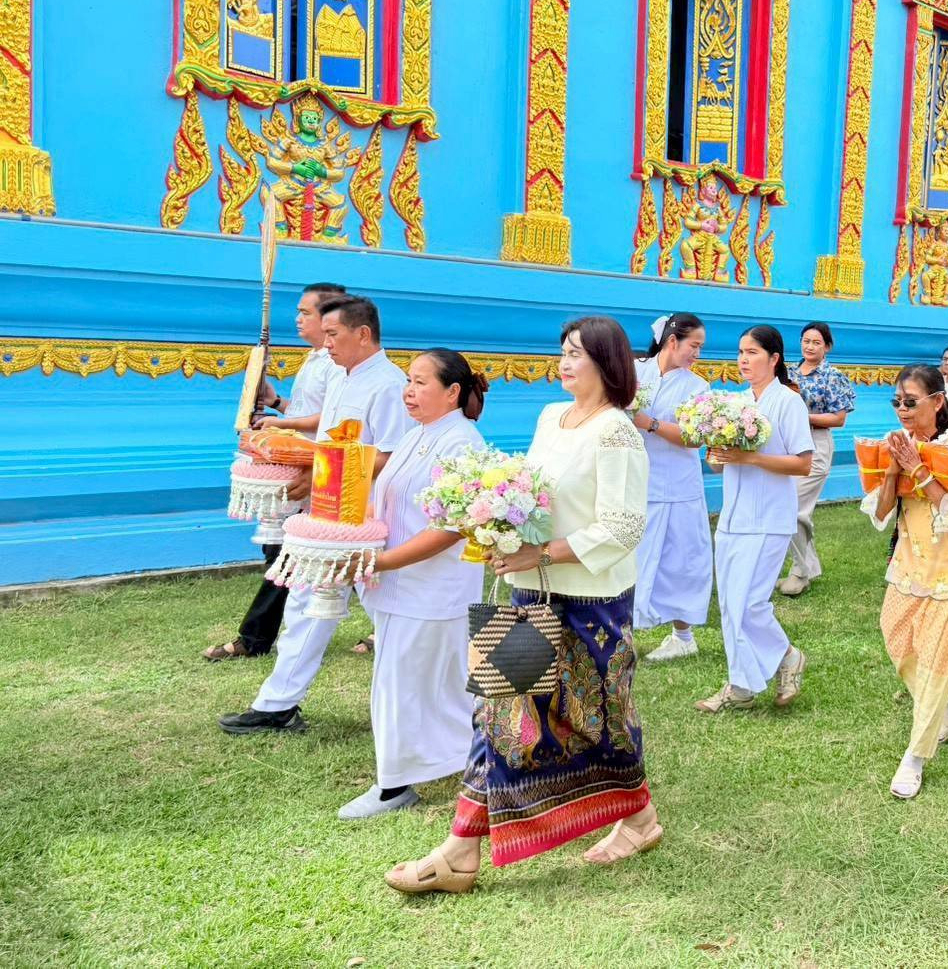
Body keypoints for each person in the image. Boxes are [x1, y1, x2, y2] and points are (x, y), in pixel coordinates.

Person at [385, 316, 658, 893]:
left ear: (608, 364)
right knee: (498, 712)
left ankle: (639, 819)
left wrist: (542, 551)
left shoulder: (617, 433)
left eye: (577, 353)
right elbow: (532, 491)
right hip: (529, 590)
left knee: (601, 719)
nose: (564, 361)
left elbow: (623, 527)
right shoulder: (548, 418)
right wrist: (497, 523)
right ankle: (460, 851)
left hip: (592, 602)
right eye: (561, 350)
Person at [219, 295, 415, 734]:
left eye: (333, 334)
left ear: (362, 335)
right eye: (324, 334)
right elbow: (329, 442)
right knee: (312, 604)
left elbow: (392, 455)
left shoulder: (387, 384)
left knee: (395, 614)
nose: (325, 344)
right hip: (334, 511)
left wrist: (325, 474)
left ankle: (436, 705)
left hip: (369, 518)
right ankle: (277, 704)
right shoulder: (344, 377)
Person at [339, 349, 489, 820]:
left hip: (431, 586)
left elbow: (452, 528)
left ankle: (394, 784)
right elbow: (385, 500)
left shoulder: (462, 445)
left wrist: (383, 561)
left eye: (422, 382)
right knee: (433, 684)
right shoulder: (417, 435)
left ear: (452, 393)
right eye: (408, 380)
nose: (409, 390)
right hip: (401, 583)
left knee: (402, 685)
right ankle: (476, 753)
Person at [205, 281, 348, 661]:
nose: (298, 319)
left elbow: (332, 421)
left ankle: (255, 638)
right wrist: (276, 403)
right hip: (303, 460)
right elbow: (309, 413)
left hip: (325, 465)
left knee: (291, 555)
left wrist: (284, 427)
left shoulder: (337, 364)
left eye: (306, 312)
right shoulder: (315, 358)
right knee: (291, 554)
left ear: (332, 318)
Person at [863, 364, 948, 799]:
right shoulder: (898, 444)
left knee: (935, 659)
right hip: (911, 560)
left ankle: (914, 757)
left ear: (937, 401)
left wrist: (918, 469)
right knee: (896, 638)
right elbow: (880, 514)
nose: (902, 409)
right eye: (897, 402)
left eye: (910, 401)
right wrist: (895, 469)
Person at [697, 325, 812, 712]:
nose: (743, 359)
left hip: (769, 518)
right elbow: (718, 466)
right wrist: (718, 455)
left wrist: (751, 458)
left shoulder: (788, 402)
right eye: (741, 352)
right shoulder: (733, 403)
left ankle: (787, 655)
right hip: (732, 516)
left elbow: (802, 463)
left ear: (774, 358)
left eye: (752, 352)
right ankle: (741, 687)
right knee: (730, 605)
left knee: (750, 604)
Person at [630, 313, 713, 662]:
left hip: (679, 485)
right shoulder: (634, 371)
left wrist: (648, 423)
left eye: (700, 348)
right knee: (629, 559)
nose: (697, 353)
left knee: (682, 560)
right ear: (672, 340)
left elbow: (694, 438)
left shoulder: (698, 388)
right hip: (636, 481)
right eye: (694, 345)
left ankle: (683, 635)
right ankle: (623, 633)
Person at [780, 322, 856, 597]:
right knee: (785, 505)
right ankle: (805, 566)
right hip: (786, 444)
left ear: (827, 347)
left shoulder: (832, 376)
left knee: (795, 508)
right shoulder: (787, 372)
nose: (809, 346)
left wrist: (803, 416)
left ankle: (801, 570)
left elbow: (839, 418)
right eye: (806, 341)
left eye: (816, 342)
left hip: (816, 443)